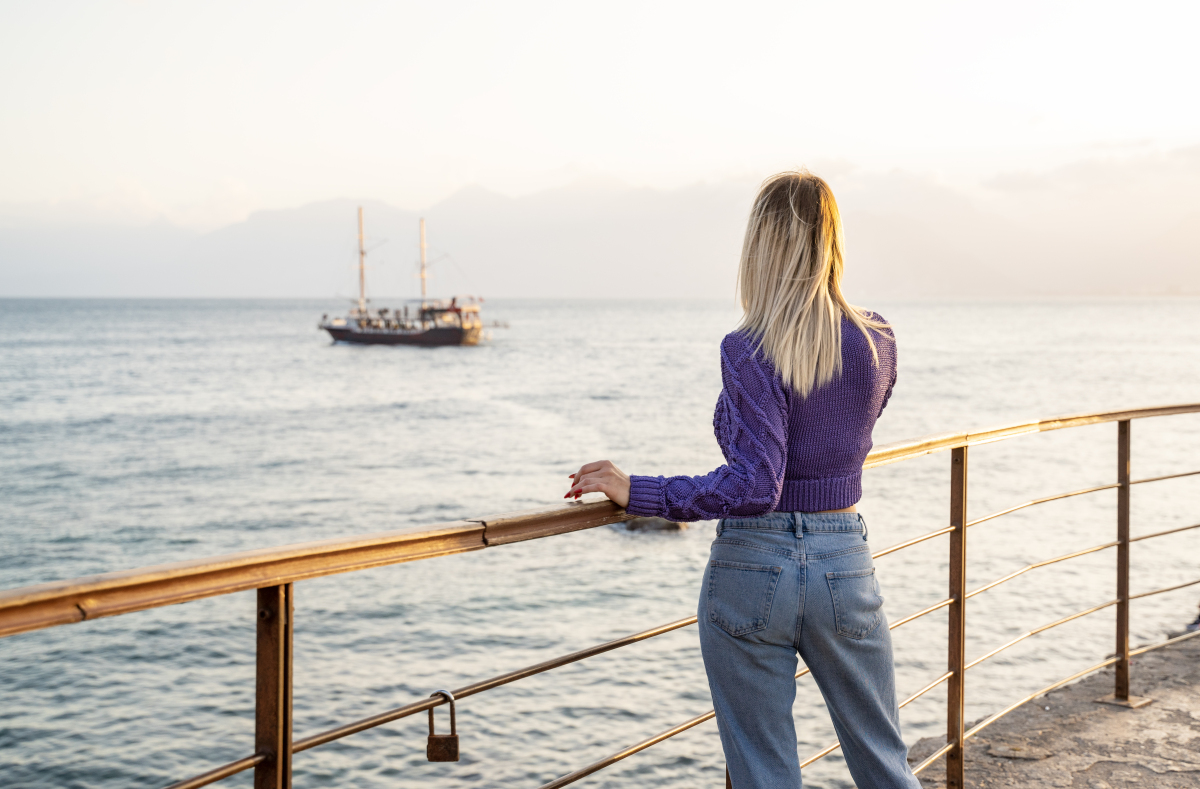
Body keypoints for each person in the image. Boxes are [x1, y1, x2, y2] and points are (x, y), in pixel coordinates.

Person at [566, 171, 919, 788]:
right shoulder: (876, 338)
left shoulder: (748, 347)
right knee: (885, 763)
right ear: (831, 241)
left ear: (760, 245)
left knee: (764, 773)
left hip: (754, 565)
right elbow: (847, 438)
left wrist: (641, 491)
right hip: (843, 558)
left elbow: (758, 484)